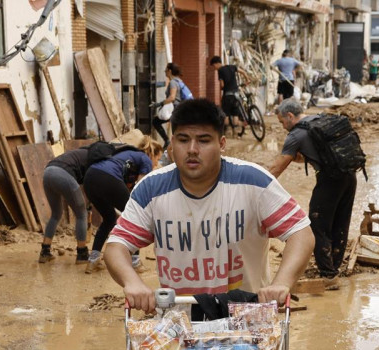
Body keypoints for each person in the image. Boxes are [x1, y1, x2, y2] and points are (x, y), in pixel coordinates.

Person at [105, 99, 315, 312]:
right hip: (180, 323)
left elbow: (301, 233)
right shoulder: (151, 189)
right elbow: (116, 245)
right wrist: (132, 282)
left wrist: (281, 283)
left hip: (247, 319)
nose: (192, 149)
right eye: (183, 140)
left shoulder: (253, 182)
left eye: (204, 140)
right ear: (171, 145)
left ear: (222, 144)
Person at [269, 99, 357, 283]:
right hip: (349, 175)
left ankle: (327, 274)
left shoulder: (296, 134)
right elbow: (316, 155)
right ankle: (335, 264)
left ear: (290, 116)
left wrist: (257, 186)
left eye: (282, 121)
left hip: (329, 181)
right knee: (341, 221)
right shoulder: (319, 120)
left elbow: (277, 169)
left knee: (318, 225)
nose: (283, 126)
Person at [82, 146, 155, 273]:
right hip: (108, 177)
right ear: (153, 153)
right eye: (158, 158)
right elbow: (141, 188)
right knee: (135, 216)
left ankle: (93, 260)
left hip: (90, 177)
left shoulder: (124, 155)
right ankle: (135, 262)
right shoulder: (145, 158)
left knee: (109, 219)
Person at [38, 148, 91, 263]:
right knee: (81, 214)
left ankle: (45, 252)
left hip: (48, 173)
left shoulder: (79, 153)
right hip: (62, 174)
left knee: (56, 214)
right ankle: (82, 253)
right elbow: (89, 183)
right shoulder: (95, 158)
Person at [152, 63, 192, 148]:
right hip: (180, 109)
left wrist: (160, 104)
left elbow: (172, 97)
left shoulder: (173, 82)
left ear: (170, 71)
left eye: (166, 70)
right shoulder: (179, 81)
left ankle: (168, 142)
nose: (165, 72)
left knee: (156, 122)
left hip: (175, 109)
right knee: (177, 129)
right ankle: (172, 144)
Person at [210, 56, 244, 135]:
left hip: (228, 96)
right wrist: (247, 79)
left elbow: (222, 84)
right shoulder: (231, 67)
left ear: (217, 63)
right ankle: (241, 126)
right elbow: (242, 71)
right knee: (235, 115)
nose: (214, 68)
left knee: (225, 115)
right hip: (236, 95)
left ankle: (225, 132)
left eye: (214, 66)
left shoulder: (220, 70)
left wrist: (222, 88)